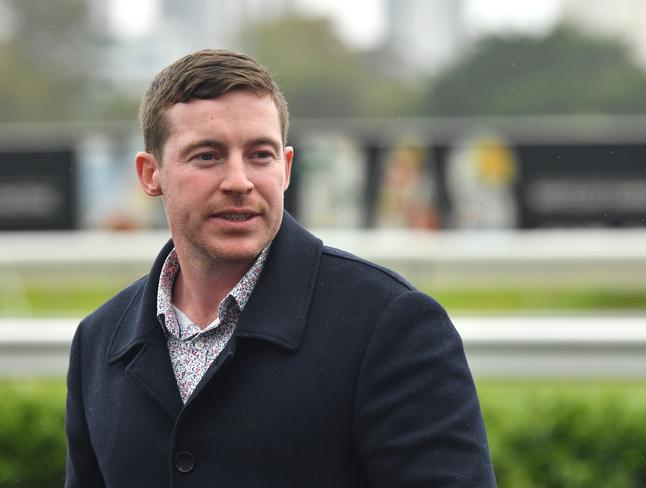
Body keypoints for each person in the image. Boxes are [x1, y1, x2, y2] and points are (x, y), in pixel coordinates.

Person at [65, 49, 496, 487]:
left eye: (260, 155)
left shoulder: (391, 323)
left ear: (286, 168)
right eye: (208, 156)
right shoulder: (97, 342)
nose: (239, 181)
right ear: (150, 174)